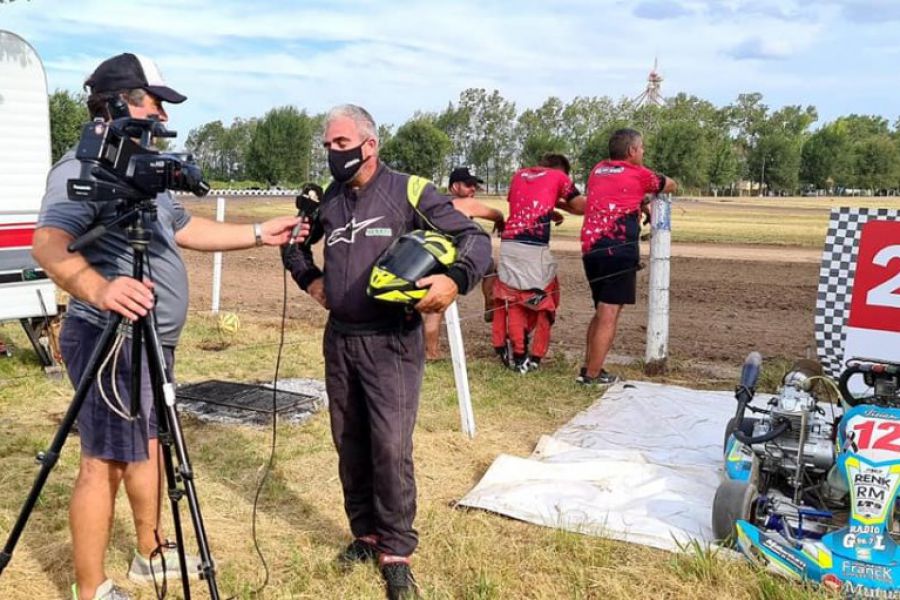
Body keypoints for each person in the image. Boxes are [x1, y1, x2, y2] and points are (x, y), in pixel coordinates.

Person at [32, 53, 303, 600]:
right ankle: (92, 588)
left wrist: (258, 234)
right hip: (112, 342)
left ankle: (151, 552)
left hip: (152, 341)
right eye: (154, 103)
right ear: (116, 104)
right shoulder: (80, 168)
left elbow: (184, 227)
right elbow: (48, 244)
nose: (161, 117)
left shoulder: (141, 168)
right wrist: (102, 289)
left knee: (150, 445)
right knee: (103, 460)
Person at [281, 105, 491, 599]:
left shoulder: (409, 191)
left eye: (341, 144)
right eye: (328, 146)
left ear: (369, 145)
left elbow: (473, 240)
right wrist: (311, 282)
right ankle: (365, 533)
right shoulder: (328, 201)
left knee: (391, 448)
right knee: (349, 443)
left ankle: (396, 550)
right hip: (341, 339)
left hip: (392, 341)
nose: (333, 154)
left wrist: (455, 280)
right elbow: (293, 245)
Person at [575, 128, 677, 385]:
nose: (643, 152)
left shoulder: (598, 169)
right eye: (641, 148)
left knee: (600, 311)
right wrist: (647, 200)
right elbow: (670, 184)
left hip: (591, 248)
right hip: (618, 249)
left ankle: (590, 366)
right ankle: (592, 376)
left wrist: (637, 202)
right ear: (632, 151)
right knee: (609, 314)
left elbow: (617, 194)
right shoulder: (640, 174)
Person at [491, 153, 583, 373]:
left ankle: (516, 353)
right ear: (561, 171)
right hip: (534, 248)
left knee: (512, 298)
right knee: (546, 299)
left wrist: (551, 211)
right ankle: (533, 355)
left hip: (509, 244)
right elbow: (581, 206)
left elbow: (525, 204)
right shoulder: (558, 177)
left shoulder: (519, 175)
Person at [423, 166, 504, 359]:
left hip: (429, 258)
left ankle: (430, 350)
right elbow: (496, 214)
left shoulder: (436, 203)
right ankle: (431, 352)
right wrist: (500, 223)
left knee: (490, 266)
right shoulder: (464, 203)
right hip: (454, 260)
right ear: (454, 186)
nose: (472, 189)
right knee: (436, 309)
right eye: (468, 185)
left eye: (474, 185)